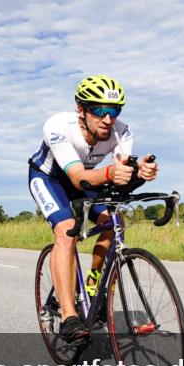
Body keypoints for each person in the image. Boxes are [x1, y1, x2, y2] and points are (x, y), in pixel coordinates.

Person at [28, 75, 158, 343]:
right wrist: (112, 172)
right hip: (50, 178)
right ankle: (69, 317)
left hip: (88, 178)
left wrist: (139, 173)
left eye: (114, 111)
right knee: (66, 231)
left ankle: (92, 285)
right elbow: (77, 177)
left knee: (115, 221)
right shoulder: (58, 126)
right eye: (99, 111)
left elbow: (120, 173)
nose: (108, 119)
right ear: (81, 110)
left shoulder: (122, 131)